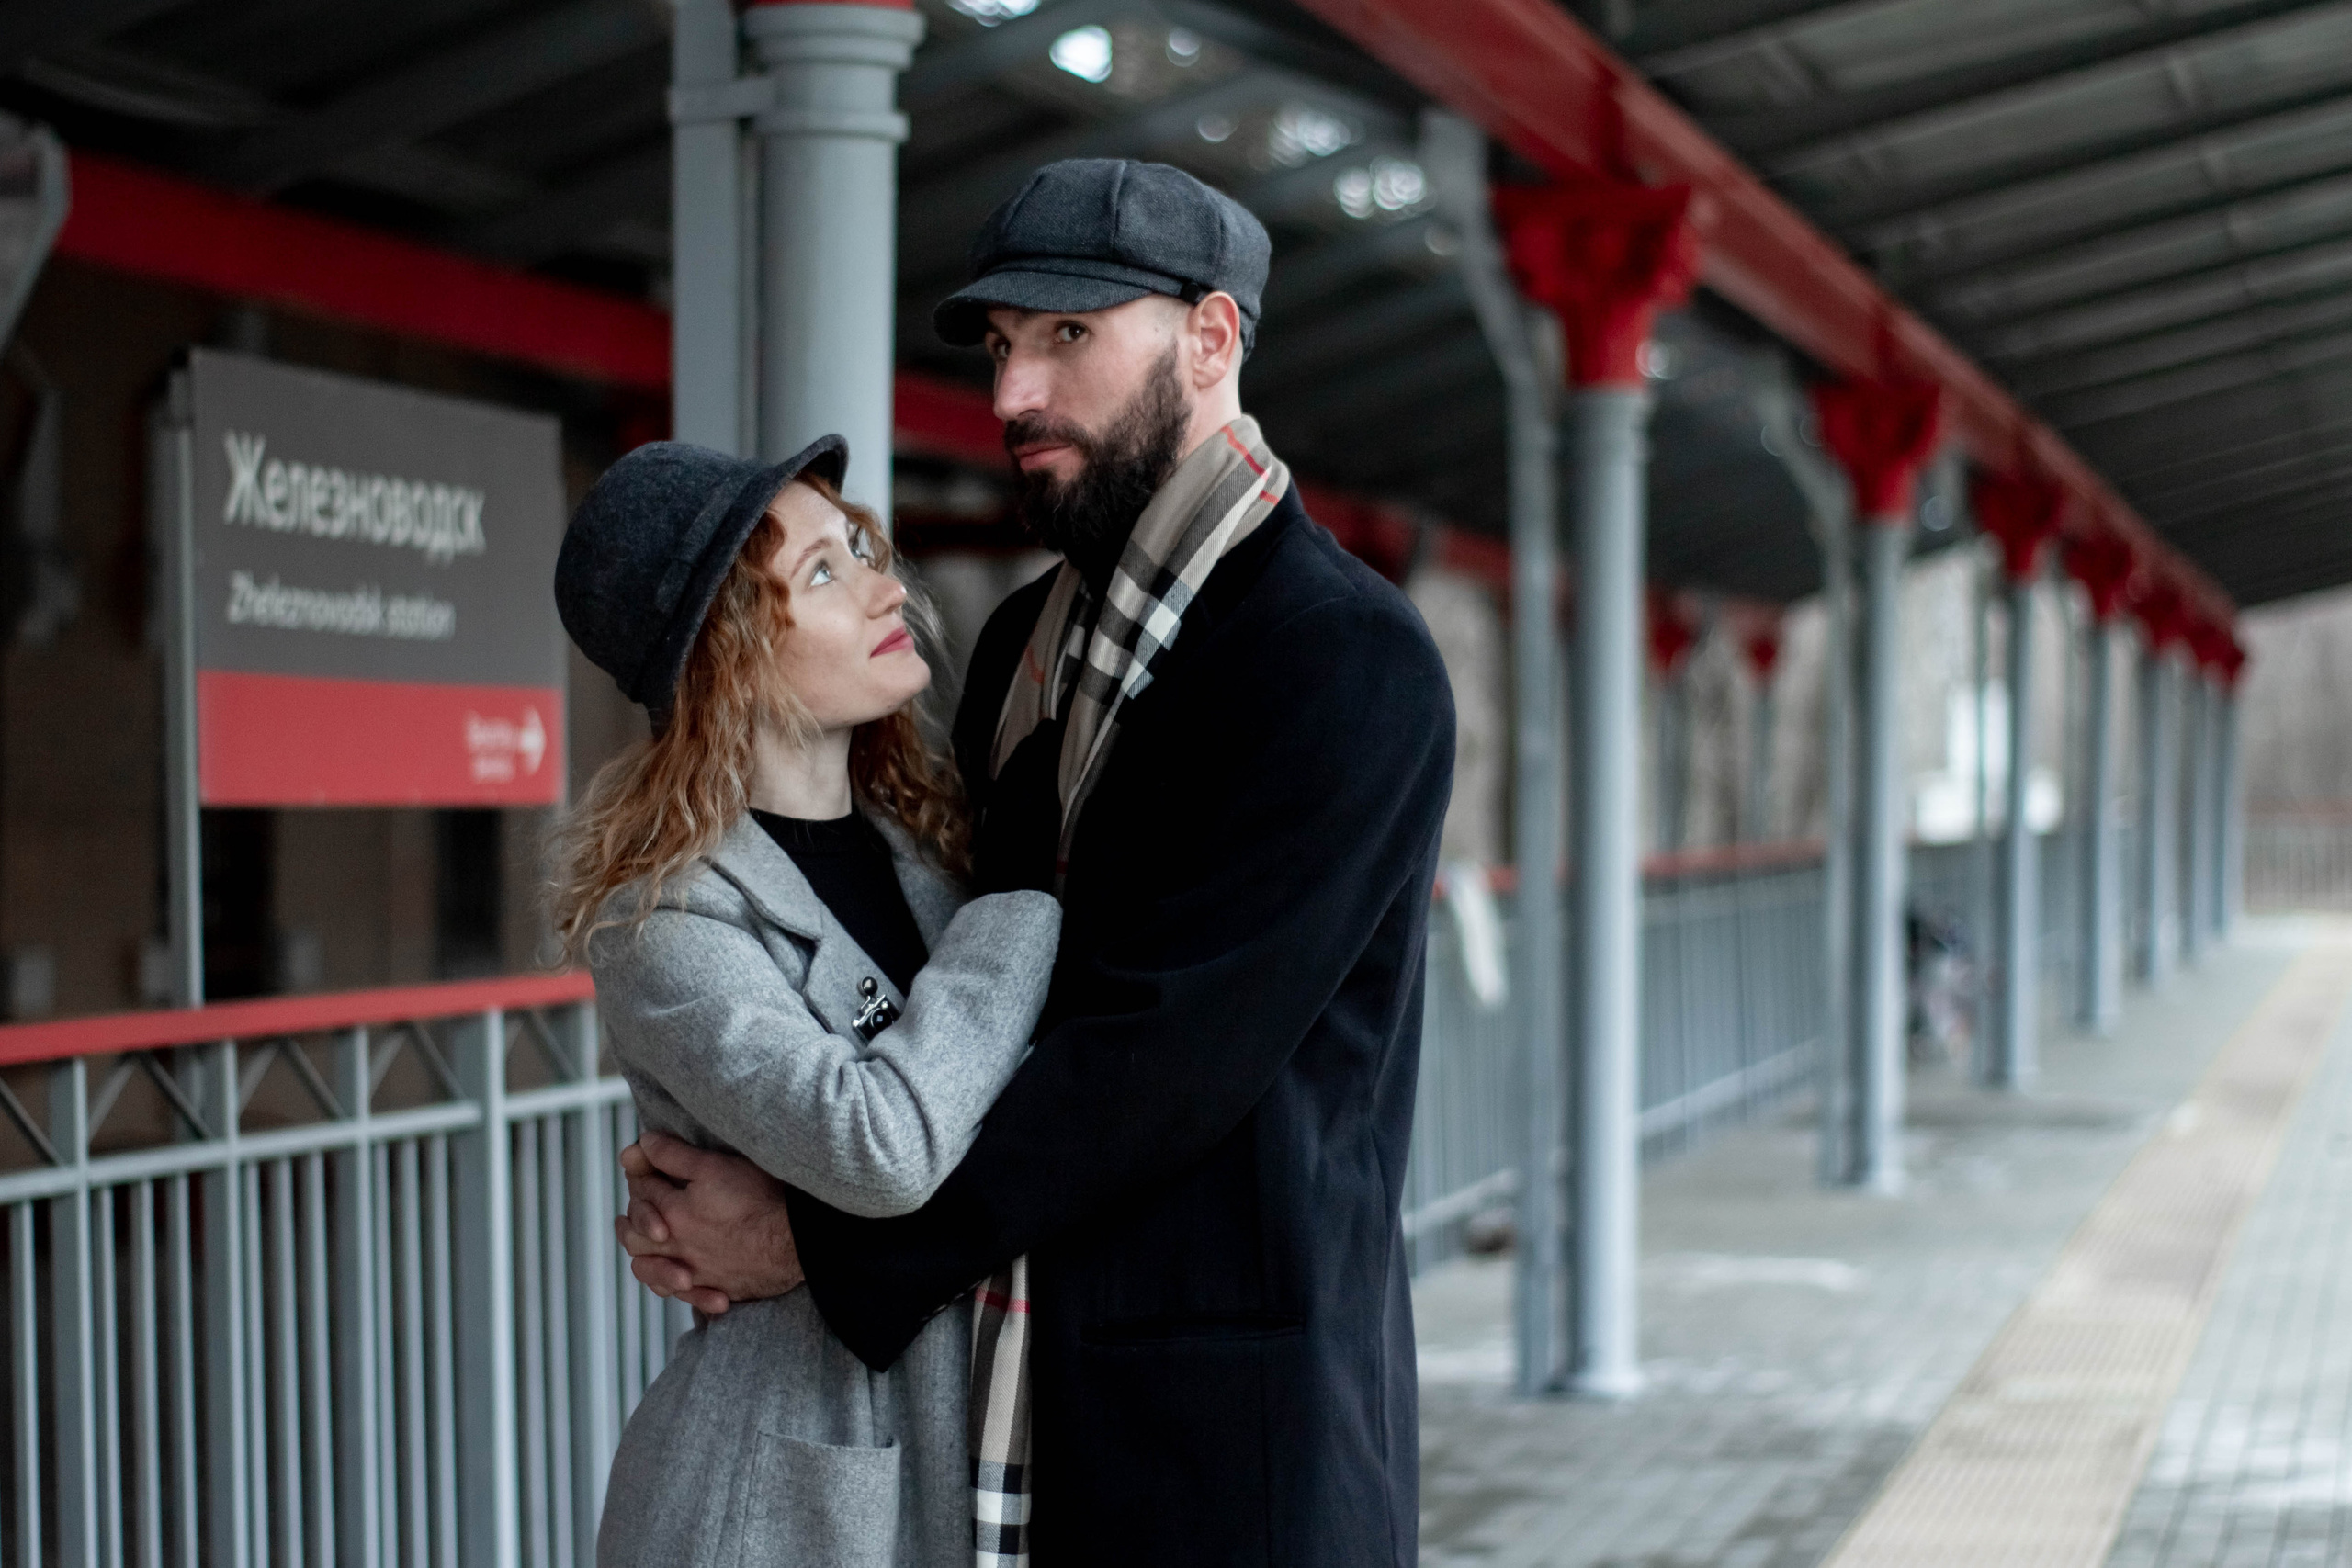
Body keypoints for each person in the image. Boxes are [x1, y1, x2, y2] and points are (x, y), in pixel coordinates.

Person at [617, 158, 1456, 1567]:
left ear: (1210, 338)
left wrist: (815, 1248)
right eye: (1004, 347)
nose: (1013, 396)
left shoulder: (1341, 658)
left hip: (1232, 1445)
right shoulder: (1020, 647)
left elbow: (1153, 1060)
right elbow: (963, 1000)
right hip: (1011, 1405)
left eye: (1068, 337)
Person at [549, 434, 1063, 1567]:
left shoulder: (926, 858)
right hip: (779, 1503)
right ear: (727, 654)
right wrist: (1029, 897)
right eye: (824, 574)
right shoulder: (668, 924)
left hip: (952, 1458)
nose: (888, 586)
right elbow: (880, 1147)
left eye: (859, 549)